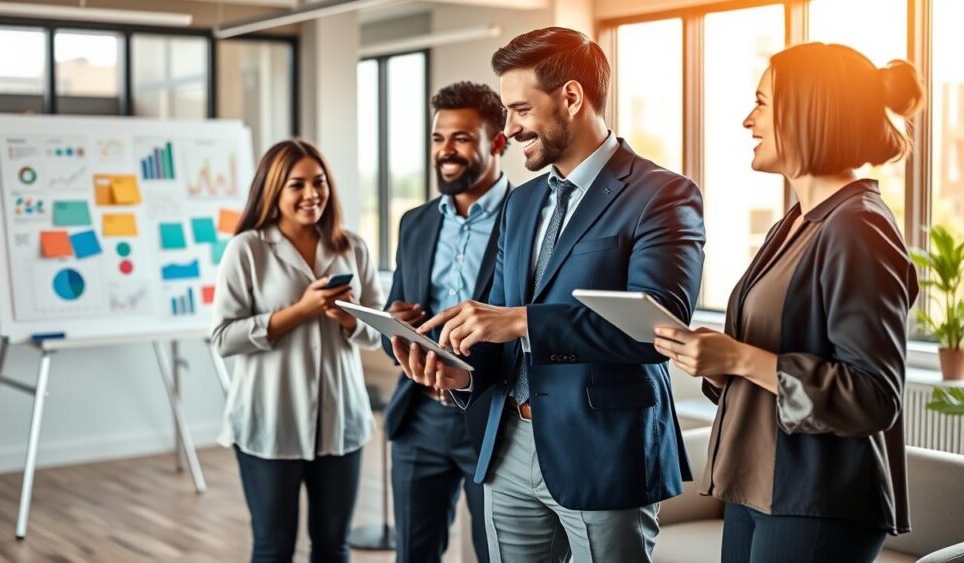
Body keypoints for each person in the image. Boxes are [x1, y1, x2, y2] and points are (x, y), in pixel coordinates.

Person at [394, 27, 706, 562]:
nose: (510, 129)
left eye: (519, 110)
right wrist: (461, 372)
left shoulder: (663, 195)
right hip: (509, 443)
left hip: (604, 450)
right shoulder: (523, 202)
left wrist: (522, 321)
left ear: (571, 97)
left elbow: (661, 328)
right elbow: (498, 323)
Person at [652, 43, 922, 563]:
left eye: (762, 103)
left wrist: (737, 358)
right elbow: (771, 351)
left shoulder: (858, 227)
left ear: (806, 113)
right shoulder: (796, 221)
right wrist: (716, 357)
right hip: (758, 485)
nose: (747, 119)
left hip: (818, 499)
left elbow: (872, 395)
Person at [211, 139, 384, 563]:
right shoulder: (247, 250)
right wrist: (301, 310)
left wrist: (347, 318)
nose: (312, 194)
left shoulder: (353, 247)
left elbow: (377, 331)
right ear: (274, 190)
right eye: (297, 185)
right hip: (269, 420)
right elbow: (223, 338)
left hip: (340, 420)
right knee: (273, 548)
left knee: (333, 547)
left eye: (319, 182)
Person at [383, 81, 510, 563]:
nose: (446, 151)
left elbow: (529, 324)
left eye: (461, 138)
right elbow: (397, 309)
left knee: (496, 554)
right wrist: (394, 324)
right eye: (438, 139)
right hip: (419, 419)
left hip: (494, 419)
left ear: (497, 142)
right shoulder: (414, 222)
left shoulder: (528, 218)